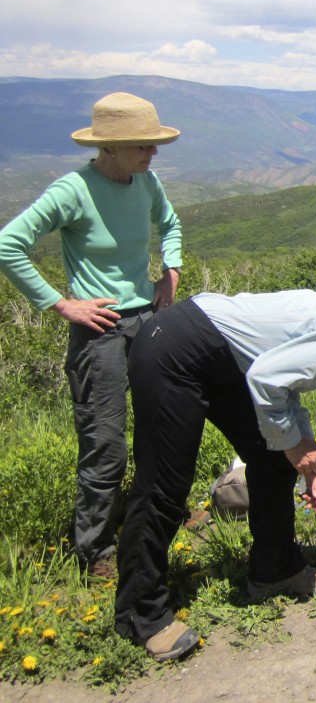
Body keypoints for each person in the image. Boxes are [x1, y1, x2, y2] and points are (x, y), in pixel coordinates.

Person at [114, 266, 316, 662]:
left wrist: (301, 443)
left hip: (217, 354)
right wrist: (295, 446)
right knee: (164, 487)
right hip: (175, 350)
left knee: (272, 457)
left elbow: (283, 379)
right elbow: (267, 380)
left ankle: (274, 569)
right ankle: (140, 615)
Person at [0, 92, 182, 577]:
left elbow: (169, 222)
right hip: (99, 330)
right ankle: (95, 550)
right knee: (105, 445)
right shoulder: (73, 190)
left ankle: (147, 525)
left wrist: (171, 266)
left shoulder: (146, 181)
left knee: (156, 434)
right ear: (111, 148)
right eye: (143, 144)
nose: (153, 153)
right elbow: (8, 244)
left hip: (147, 320)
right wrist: (61, 304)